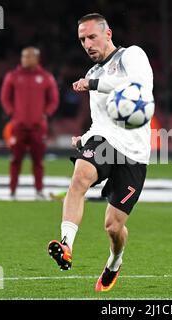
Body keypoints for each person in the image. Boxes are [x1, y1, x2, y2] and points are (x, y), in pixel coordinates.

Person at [47, 13, 153, 292]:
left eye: (92, 36)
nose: (87, 44)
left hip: (134, 153)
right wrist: (85, 138)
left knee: (113, 227)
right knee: (79, 177)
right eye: (82, 39)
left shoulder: (132, 56)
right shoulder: (93, 73)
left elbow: (137, 85)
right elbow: (101, 121)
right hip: (106, 143)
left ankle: (115, 262)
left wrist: (92, 84)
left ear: (108, 34)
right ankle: (66, 244)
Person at [0, 47, 59, 200]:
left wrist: (46, 114)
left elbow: (53, 100)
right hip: (18, 127)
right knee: (15, 159)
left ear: (37, 58)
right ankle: (12, 190)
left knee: (38, 161)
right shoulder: (12, 76)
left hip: (38, 127)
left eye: (28, 57)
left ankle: (39, 190)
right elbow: (5, 98)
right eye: (23, 56)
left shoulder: (46, 77)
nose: (24, 59)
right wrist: (12, 113)